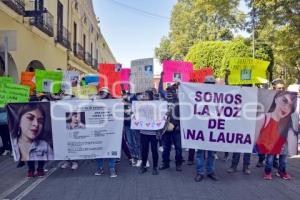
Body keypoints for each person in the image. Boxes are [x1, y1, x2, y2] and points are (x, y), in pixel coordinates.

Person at [255, 90, 297, 180]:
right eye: (284, 101)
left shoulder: (289, 119)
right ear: (276, 99)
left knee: (283, 159)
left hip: (284, 144)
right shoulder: (264, 117)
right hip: (271, 144)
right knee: (270, 158)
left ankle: (282, 171)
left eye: (290, 105)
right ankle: (268, 172)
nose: (286, 107)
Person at [9, 102, 53, 178]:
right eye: (30, 118)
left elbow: (51, 157)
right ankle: (31, 170)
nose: (36, 124)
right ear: (19, 121)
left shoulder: (44, 144)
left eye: (40, 121)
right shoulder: (14, 143)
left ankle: (40, 170)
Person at [194, 75, 218, 182]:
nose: (210, 86)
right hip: (201, 127)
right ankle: (200, 172)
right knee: (200, 152)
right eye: (208, 84)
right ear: (205, 84)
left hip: (213, 128)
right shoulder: (200, 95)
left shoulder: (219, 96)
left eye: (212, 84)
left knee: (212, 152)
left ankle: (210, 172)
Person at [257, 79, 285, 168]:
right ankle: (261, 159)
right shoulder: (268, 95)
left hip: (278, 123)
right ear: (274, 87)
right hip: (267, 121)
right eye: (279, 88)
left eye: (282, 88)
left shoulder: (286, 96)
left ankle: (274, 161)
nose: (281, 89)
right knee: (264, 142)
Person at [158, 74, 183, 172]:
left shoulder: (180, 101)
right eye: (168, 90)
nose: (169, 92)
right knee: (166, 147)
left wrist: (178, 125)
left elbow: (183, 115)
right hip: (165, 128)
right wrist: (161, 77)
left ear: (175, 92)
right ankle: (165, 163)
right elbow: (160, 89)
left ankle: (178, 164)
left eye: (172, 90)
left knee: (178, 148)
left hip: (176, 128)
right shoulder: (164, 100)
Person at [94, 87, 117, 178]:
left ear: (108, 94)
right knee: (98, 149)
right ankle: (100, 167)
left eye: (104, 93)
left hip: (111, 130)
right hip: (98, 130)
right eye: (101, 93)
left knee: (111, 148)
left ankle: (112, 168)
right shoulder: (95, 102)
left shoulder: (114, 102)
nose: (102, 94)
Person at [139, 90, 160, 175]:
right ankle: (144, 166)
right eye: (143, 95)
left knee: (154, 150)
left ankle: (155, 167)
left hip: (153, 133)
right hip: (143, 132)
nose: (144, 96)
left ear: (150, 96)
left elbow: (160, 116)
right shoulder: (139, 105)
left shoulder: (156, 106)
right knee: (144, 150)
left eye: (146, 95)